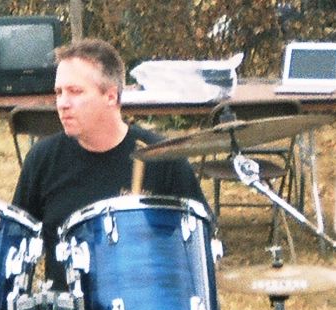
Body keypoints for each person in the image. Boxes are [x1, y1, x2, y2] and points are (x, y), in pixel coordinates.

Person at [12, 38, 211, 289]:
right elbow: (15, 244)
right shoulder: (42, 159)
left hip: (143, 303)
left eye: (75, 91)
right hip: (64, 309)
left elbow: (200, 241)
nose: (62, 103)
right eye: (59, 92)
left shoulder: (162, 158)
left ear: (111, 96)